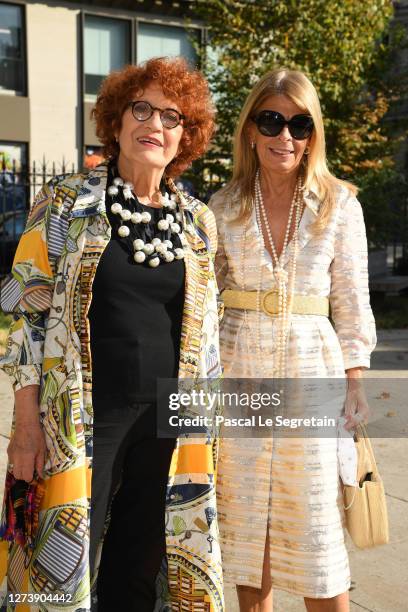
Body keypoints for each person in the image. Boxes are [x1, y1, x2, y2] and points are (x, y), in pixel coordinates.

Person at [0, 57, 224, 611]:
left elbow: (208, 338)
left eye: (172, 116)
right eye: (141, 108)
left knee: (141, 566)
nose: (155, 124)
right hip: (78, 416)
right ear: (117, 121)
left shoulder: (197, 221)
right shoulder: (66, 201)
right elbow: (21, 311)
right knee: (58, 568)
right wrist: (24, 423)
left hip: (171, 423)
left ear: (184, 137)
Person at [210, 68, 376, 612]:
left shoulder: (339, 205)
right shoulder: (223, 206)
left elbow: (352, 303)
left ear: (313, 135)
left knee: (315, 534)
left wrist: (355, 385)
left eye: (299, 124)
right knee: (246, 532)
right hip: (238, 368)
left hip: (312, 370)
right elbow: (204, 302)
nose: (286, 136)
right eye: (272, 121)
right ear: (251, 130)